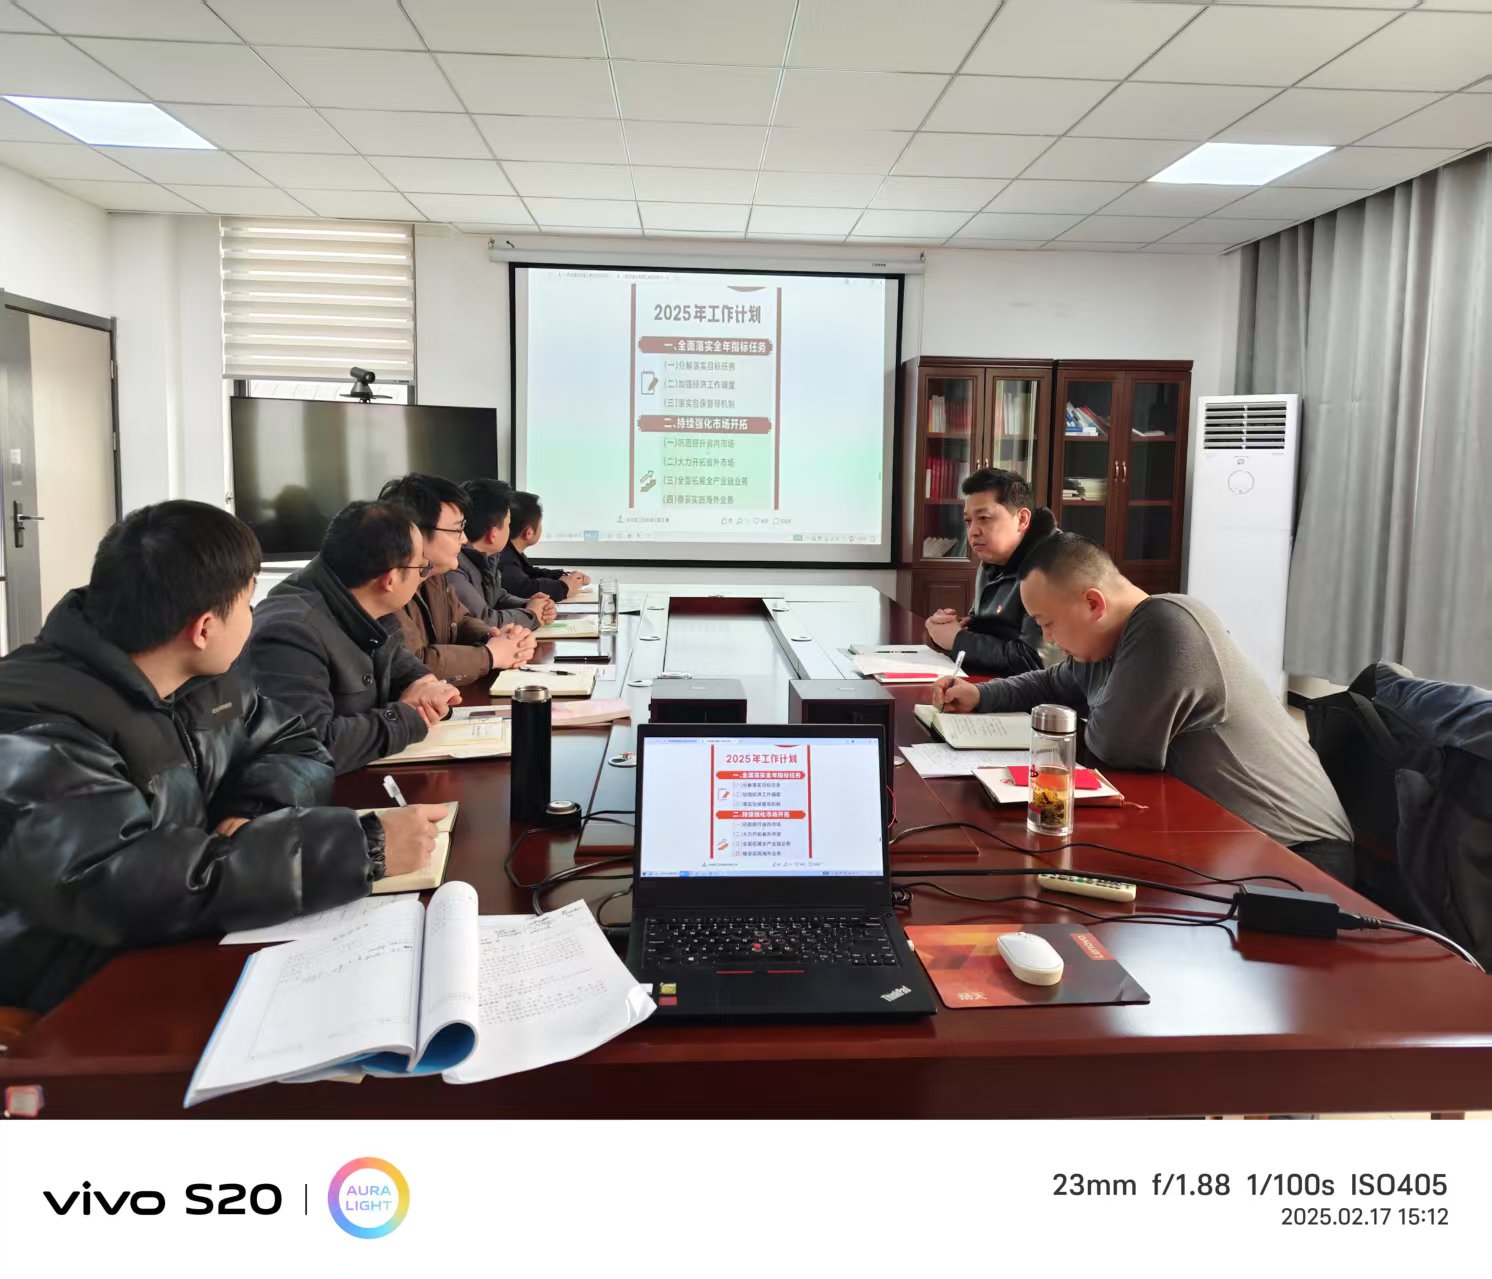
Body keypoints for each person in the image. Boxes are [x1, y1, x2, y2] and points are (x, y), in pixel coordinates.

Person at [0, 501, 446, 1013]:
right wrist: (359, 848)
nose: (254, 618)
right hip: (80, 993)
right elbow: (115, 885)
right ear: (204, 628)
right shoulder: (37, 723)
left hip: (188, 937)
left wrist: (255, 812)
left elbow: (295, 742)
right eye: (248, 602)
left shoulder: (203, 675)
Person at [932, 532, 1355, 873]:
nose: (1048, 639)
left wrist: (1062, 718)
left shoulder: (1165, 626)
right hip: (1226, 837)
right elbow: (1053, 681)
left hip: (1298, 853)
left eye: (1048, 623)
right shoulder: (1108, 640)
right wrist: (981, 694)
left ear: (1093, 603)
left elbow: (1113, 747)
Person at [249, 500, 462, 775]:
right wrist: (406, 717)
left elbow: (399, 662)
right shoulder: (290, 633)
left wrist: (426, 687)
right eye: (421, 568)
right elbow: (307, 747)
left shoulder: (361, 598)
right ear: (390, 580)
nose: (423, 576)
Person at [378, 473, 536, 685]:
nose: (464, 538)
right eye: (456, 529)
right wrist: (489, 656)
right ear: (414, 533)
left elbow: (459, 621)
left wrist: (493, 636)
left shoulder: (434, 575)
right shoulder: (387, 585)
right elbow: (413, 664)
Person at [925, 468, 1058, 676]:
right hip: (993, 682)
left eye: (984, 518)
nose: (973, 532)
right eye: (968, 521)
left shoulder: (1053, 566)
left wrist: (957, 639)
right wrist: (952, 626)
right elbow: (982, 625)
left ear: (1022, 519)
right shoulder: (992, 557)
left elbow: (1035, 662)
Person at [450, 478, 557, 629]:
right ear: (493, 534)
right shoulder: (454, 565)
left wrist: (529, 604)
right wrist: (531, 614)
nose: (510, 531)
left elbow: (497, 598)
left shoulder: (487, 557)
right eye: (508, 524)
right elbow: (485, 620)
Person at [499, 490, 589, 602]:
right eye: (540, 523)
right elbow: (523, 588)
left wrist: (565, 577)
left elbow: (530, 573)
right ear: (529, 533)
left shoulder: (510, 552)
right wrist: (563, 587)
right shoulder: (503, 556)